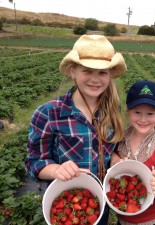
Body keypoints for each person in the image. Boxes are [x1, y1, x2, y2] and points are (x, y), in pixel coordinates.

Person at [25, 34, 127, 225]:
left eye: (103, 72)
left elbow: (111, 147)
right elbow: (33, 162)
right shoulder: (48, 114)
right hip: (66, 200)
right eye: (87, 71)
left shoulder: (112, 109)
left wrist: (115, 159)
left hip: (98, 199)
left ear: (111, 74)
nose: (95, 79)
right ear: (73, 71)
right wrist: (56, 169)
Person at [111, 80, 155, 225]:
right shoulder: (119, 138)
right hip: (123, 216)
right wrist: (115, 159)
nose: (143, 119)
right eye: (137, 112)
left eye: (150, 113)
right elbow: (108, 154)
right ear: (128, 111)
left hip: (153, 220)